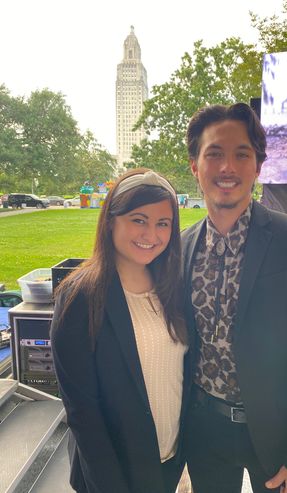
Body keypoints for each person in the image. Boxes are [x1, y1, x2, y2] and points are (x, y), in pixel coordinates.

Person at [181, 103, 287, 493]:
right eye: (214, 153)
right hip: (204, 434)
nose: (227, 167)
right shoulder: (180, 247)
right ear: (194, 166)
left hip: (278, 436)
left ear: (258, 167)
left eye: (242, 154)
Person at [51, 168, 189, 493]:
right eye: (138, 220)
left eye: (162, 223)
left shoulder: (173, 287)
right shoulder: (82, 297)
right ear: (111, 220)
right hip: (114, 473)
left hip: (169, 462)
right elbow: (82, 411)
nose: (151, 234)